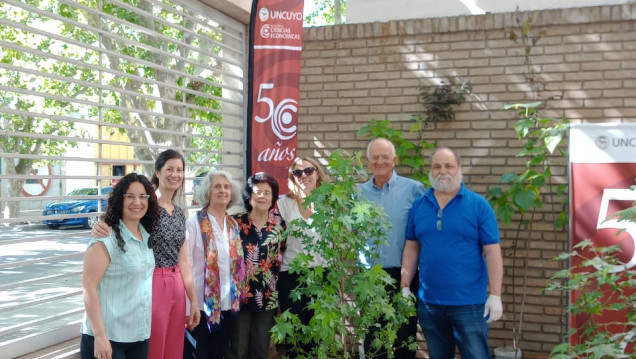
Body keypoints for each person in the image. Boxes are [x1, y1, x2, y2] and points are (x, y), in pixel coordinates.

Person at [93, 150, 201, 358]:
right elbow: (118, 221)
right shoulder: (145, 205)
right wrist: (99, 225)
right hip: (151, 282)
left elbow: (185, 260)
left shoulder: (179, 212)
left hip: (177, 283)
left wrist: (193, 300)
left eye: (179, 170)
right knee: (154, 347)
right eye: (169, 169)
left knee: (174, 349)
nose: (175, 174)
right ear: (158, 172)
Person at [401, 147, 504, 359]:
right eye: (436, 166)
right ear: (430, 171)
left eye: (448, 166)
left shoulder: (478, 205)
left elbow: (493, 252)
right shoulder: (420, 206)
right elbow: (411, 247)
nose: (442, 171)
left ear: (459, 169)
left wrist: (495, 295)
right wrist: (404, 285)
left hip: (469, 304)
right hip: (430, 304)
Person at [358, 138, 426, 359]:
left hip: (404, 275)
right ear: (368, 161)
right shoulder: (357, 194)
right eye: (375, 157)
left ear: (394, 160)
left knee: (404, 337)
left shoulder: (414, 190)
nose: (380, 161)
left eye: (385, 156)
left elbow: (423, 232)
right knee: (373, 338)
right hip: (369, 277)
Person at [80, 173, 159, 359]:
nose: (136, 202)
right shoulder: (105, 237)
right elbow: (88, 286)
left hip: (138, 335)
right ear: (119, 200)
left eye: (142, 197)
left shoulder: (145, 235)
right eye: (129, 196)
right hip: (108, 338)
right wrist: (100, 336)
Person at [184, 170, 246, 359]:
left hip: (228, 305)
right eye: (217, 186)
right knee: (200, 354)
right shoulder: (194, 223)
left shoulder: (233, 224)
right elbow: (186, 265)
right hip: (201, 308)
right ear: (207, 192)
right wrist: (189, 306)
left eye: (226, 187)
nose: (222, 190)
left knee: (219, 354)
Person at [226, 172, 286, 359]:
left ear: (273, 198)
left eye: (267, 192)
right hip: (240, 294)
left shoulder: (279, 224)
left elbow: (282, 253)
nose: (262, 196)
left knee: (260, 348)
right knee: (237, 347)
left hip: (268, 295)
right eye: (257, 192)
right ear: (249, 197)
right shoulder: (235, 222)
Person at [276, 157, 328, 358]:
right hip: (291, 277)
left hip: (322, 276)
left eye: (308, 170)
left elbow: (340, 240)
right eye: (297, 173)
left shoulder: (329, 202)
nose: (303, 175)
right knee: (294, 337)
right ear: (292, 178)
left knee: (318, 336)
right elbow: (276, 240)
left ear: (317, 173)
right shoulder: (284, 204)